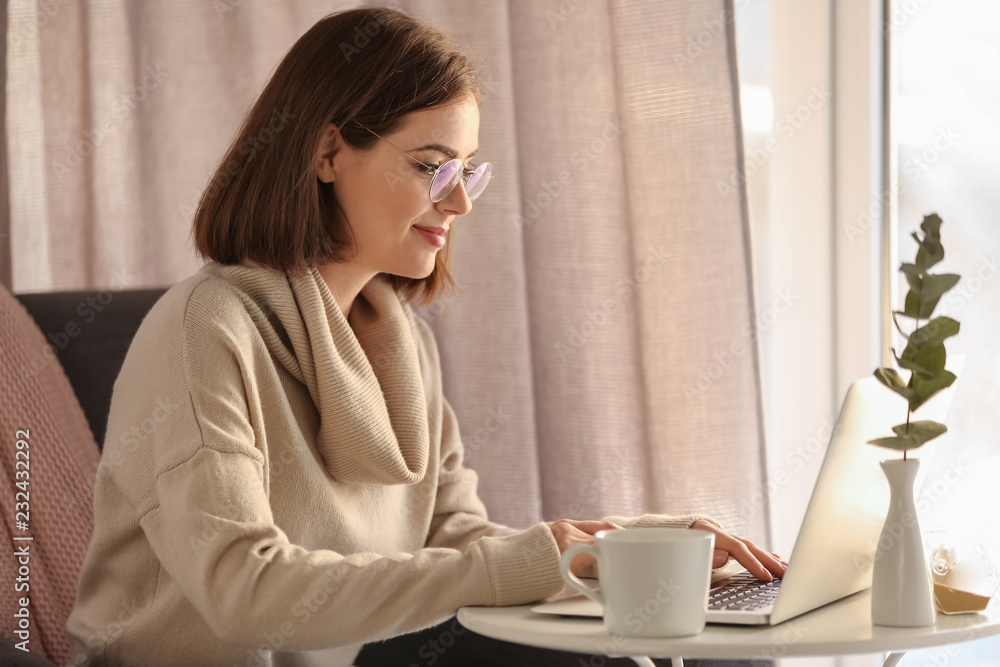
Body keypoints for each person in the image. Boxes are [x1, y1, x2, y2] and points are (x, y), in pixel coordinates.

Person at [65, 8, 785, 667]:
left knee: (703, 649)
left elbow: (458, 544)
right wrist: (536, 561)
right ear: (327, 152)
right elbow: (242, 590)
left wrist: (631, 545)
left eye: (468, 169)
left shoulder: (401, 342)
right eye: (431, 165)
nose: (462, 199)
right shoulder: (205, 329)